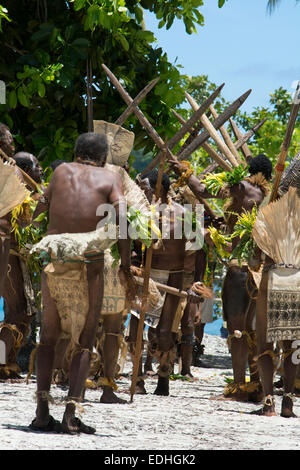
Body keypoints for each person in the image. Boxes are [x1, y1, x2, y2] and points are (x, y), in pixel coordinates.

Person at [29, 132, 135, 434]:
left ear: (76, 152)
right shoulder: (109, 176)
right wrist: (126, 261)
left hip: (54, 254)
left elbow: (41, 206)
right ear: (103, 158)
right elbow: (123, 213)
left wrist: (37, 236)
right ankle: (71, 414)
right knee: (85, 339)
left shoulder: (60, 171)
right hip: (88, 260)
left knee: (48, 336)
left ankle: (41, 411)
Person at [169, 154, 273, 401]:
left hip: (240, 269)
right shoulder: (269, 197)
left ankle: (239, 388)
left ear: (250, 171)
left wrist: (185, 171)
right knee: (253, 331)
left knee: (237, 331)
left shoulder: (243, 188)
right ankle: (256, 386)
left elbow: (203, 190)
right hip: (262, 269)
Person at [127, 169, 203, 396]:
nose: (141, 192)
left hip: (173, 276)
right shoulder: (140, 214)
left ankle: (163, 379)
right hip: (145, 275)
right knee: (136, 329)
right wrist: (131, 263)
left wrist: (196, 284)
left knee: (165, 333)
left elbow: (198, 250)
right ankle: (137, 378)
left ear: (158, 188)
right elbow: (129, 246)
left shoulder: (183, 213)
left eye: (145, 189)